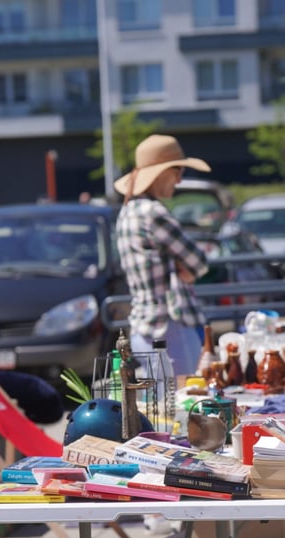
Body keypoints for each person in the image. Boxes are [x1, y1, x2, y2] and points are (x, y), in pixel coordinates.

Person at [115, 134, 211, 377]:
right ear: (160, 173)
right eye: (177, 170)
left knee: (159, 407)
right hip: (169, 326)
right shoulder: (153, 212)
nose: (179, 179)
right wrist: (184, 270)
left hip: (143, 326)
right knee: (183, 401)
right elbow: (198, 263)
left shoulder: (127, 212)